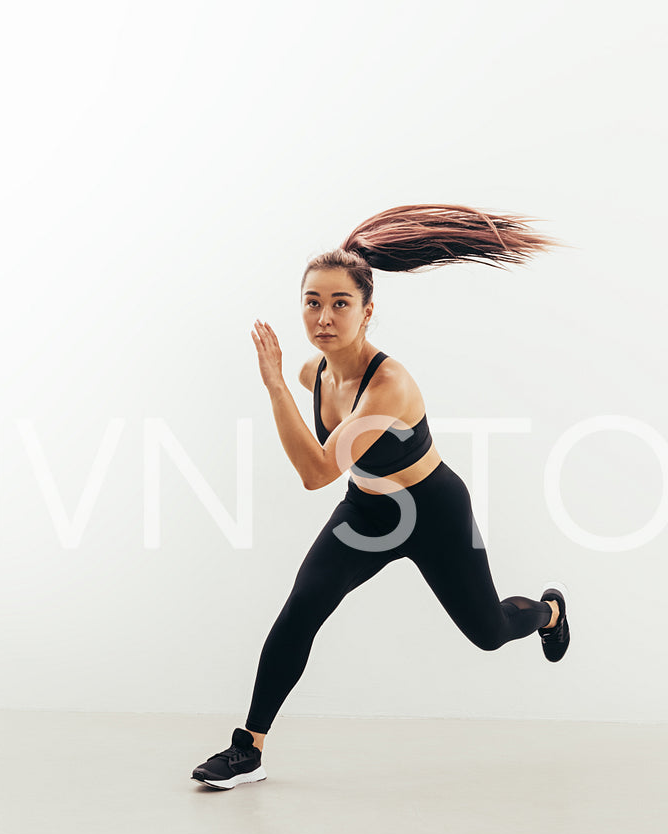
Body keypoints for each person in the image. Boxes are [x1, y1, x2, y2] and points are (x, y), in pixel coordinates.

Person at [191, 204, 572, 789]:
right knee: (300, 612)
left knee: (489, 633)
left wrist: (270, 385)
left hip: (434, 512)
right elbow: (328, 471)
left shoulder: (389, 385)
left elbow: (316, 473)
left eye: (340, 303)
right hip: (368, 512)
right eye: (313, 302)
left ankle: (548, 611)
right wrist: (284, 384)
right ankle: (249, 747)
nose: (324, 316)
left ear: (368, 312)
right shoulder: (312, 375)